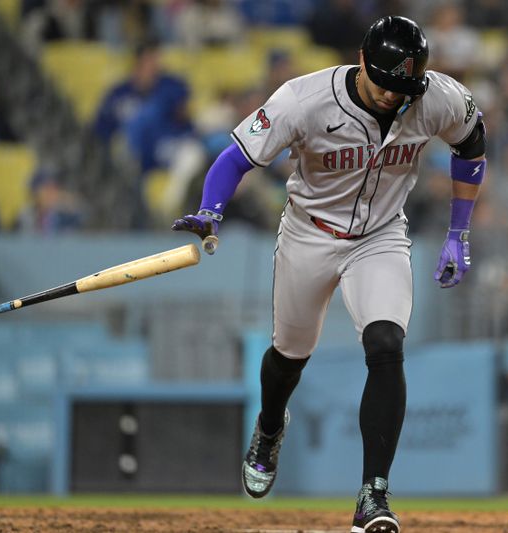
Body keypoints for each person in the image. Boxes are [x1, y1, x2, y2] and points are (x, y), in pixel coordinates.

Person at [172, 16, 486, 533]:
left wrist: (459, 232)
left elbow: (472, 144)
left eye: (404, 87)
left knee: (386, 344)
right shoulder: (303, 99)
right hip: (308, 234)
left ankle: (373, 496)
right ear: (362, 63)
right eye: (385, 83)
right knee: (288, 357)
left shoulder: (436, 98)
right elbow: (235, 158)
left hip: (381, 236)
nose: (393, 96)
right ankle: (270, 429)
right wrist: (210, 210)